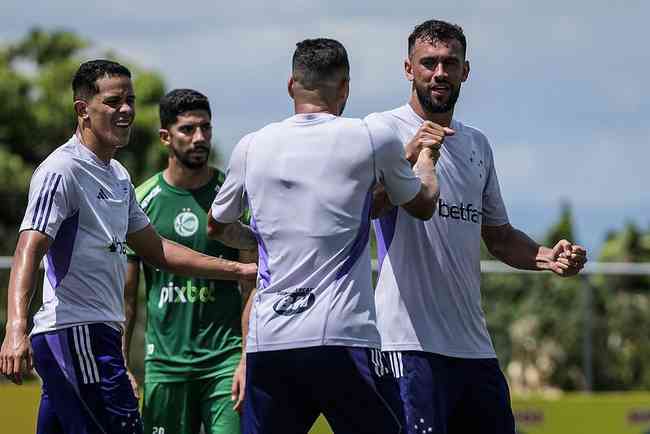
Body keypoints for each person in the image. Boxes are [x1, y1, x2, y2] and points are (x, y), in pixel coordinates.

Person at [0, 60, 256, 434]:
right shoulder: (63, 170)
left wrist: (238, 268)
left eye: (131, 101)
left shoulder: (118, 176)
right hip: (77, 334)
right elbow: (28, 247)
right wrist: (15, 328)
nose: (126, 111)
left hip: (93, 335)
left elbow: (156, 249)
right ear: (82, 110)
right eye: (114, 101)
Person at [207, 38, 439, 434]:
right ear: (345, 87)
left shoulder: (251, 146)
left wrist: (262, 240)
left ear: (290, 85)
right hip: (344, 338)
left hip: (271, 341)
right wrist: (427, 159)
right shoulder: (371, 136)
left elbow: (218, 226)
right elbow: (421, 204)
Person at [370, 20, 588, 434]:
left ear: (465, 71)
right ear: (408, 68)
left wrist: (547, 256)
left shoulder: (477, 145)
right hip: (407, 345)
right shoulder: (383, 131)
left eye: (450, 63)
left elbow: (500, 237)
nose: (439, 73)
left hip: (473, 349)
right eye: (428, 62)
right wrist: (409, 156)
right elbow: (360, 210)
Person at [123, 88, 255, 434]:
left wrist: (245, 357)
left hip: (224, 363)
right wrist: (122, 362)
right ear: (166, 136)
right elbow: (125, 297)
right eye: (188, 129)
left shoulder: (231, 197)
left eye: (206, 128)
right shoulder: (141, 201)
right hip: (165, 364)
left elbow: (252, 283)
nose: (200, 138)